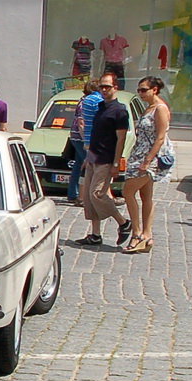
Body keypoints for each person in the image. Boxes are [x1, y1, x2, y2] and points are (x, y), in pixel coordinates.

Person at [79, 73, 132, 248]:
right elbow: (95, 134)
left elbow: (121, 139)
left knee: (97, 194)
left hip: (106, 159)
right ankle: (95, 234)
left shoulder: (120, 111)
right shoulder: (100, 107)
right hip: (93, 156)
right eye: (101, 86)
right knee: (88, 196)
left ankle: (123, 222)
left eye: (107, 87)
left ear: (115, 88)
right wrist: (88, 156)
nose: (103, 90)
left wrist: (116, 163)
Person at [122, 76, 172, 252]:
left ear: (154, 90)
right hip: (139, 154)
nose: (140, 93)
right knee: (145, 196)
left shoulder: (160, 109)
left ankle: (136, 233)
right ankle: (146, 235)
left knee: (127, 192)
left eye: (144, 90)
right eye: (139, 90)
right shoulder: (148, 108)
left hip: (149, 158)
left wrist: (148, 160)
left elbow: (160, 137)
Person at [67, 79, 102, 205]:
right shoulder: (86, 103)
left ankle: (73, 193)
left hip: (77, 137)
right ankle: (83, 195)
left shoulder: (83, 100)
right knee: (87, 165)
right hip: (80, 138)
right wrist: (86, 140)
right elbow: (81, 123)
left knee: (78, 165)